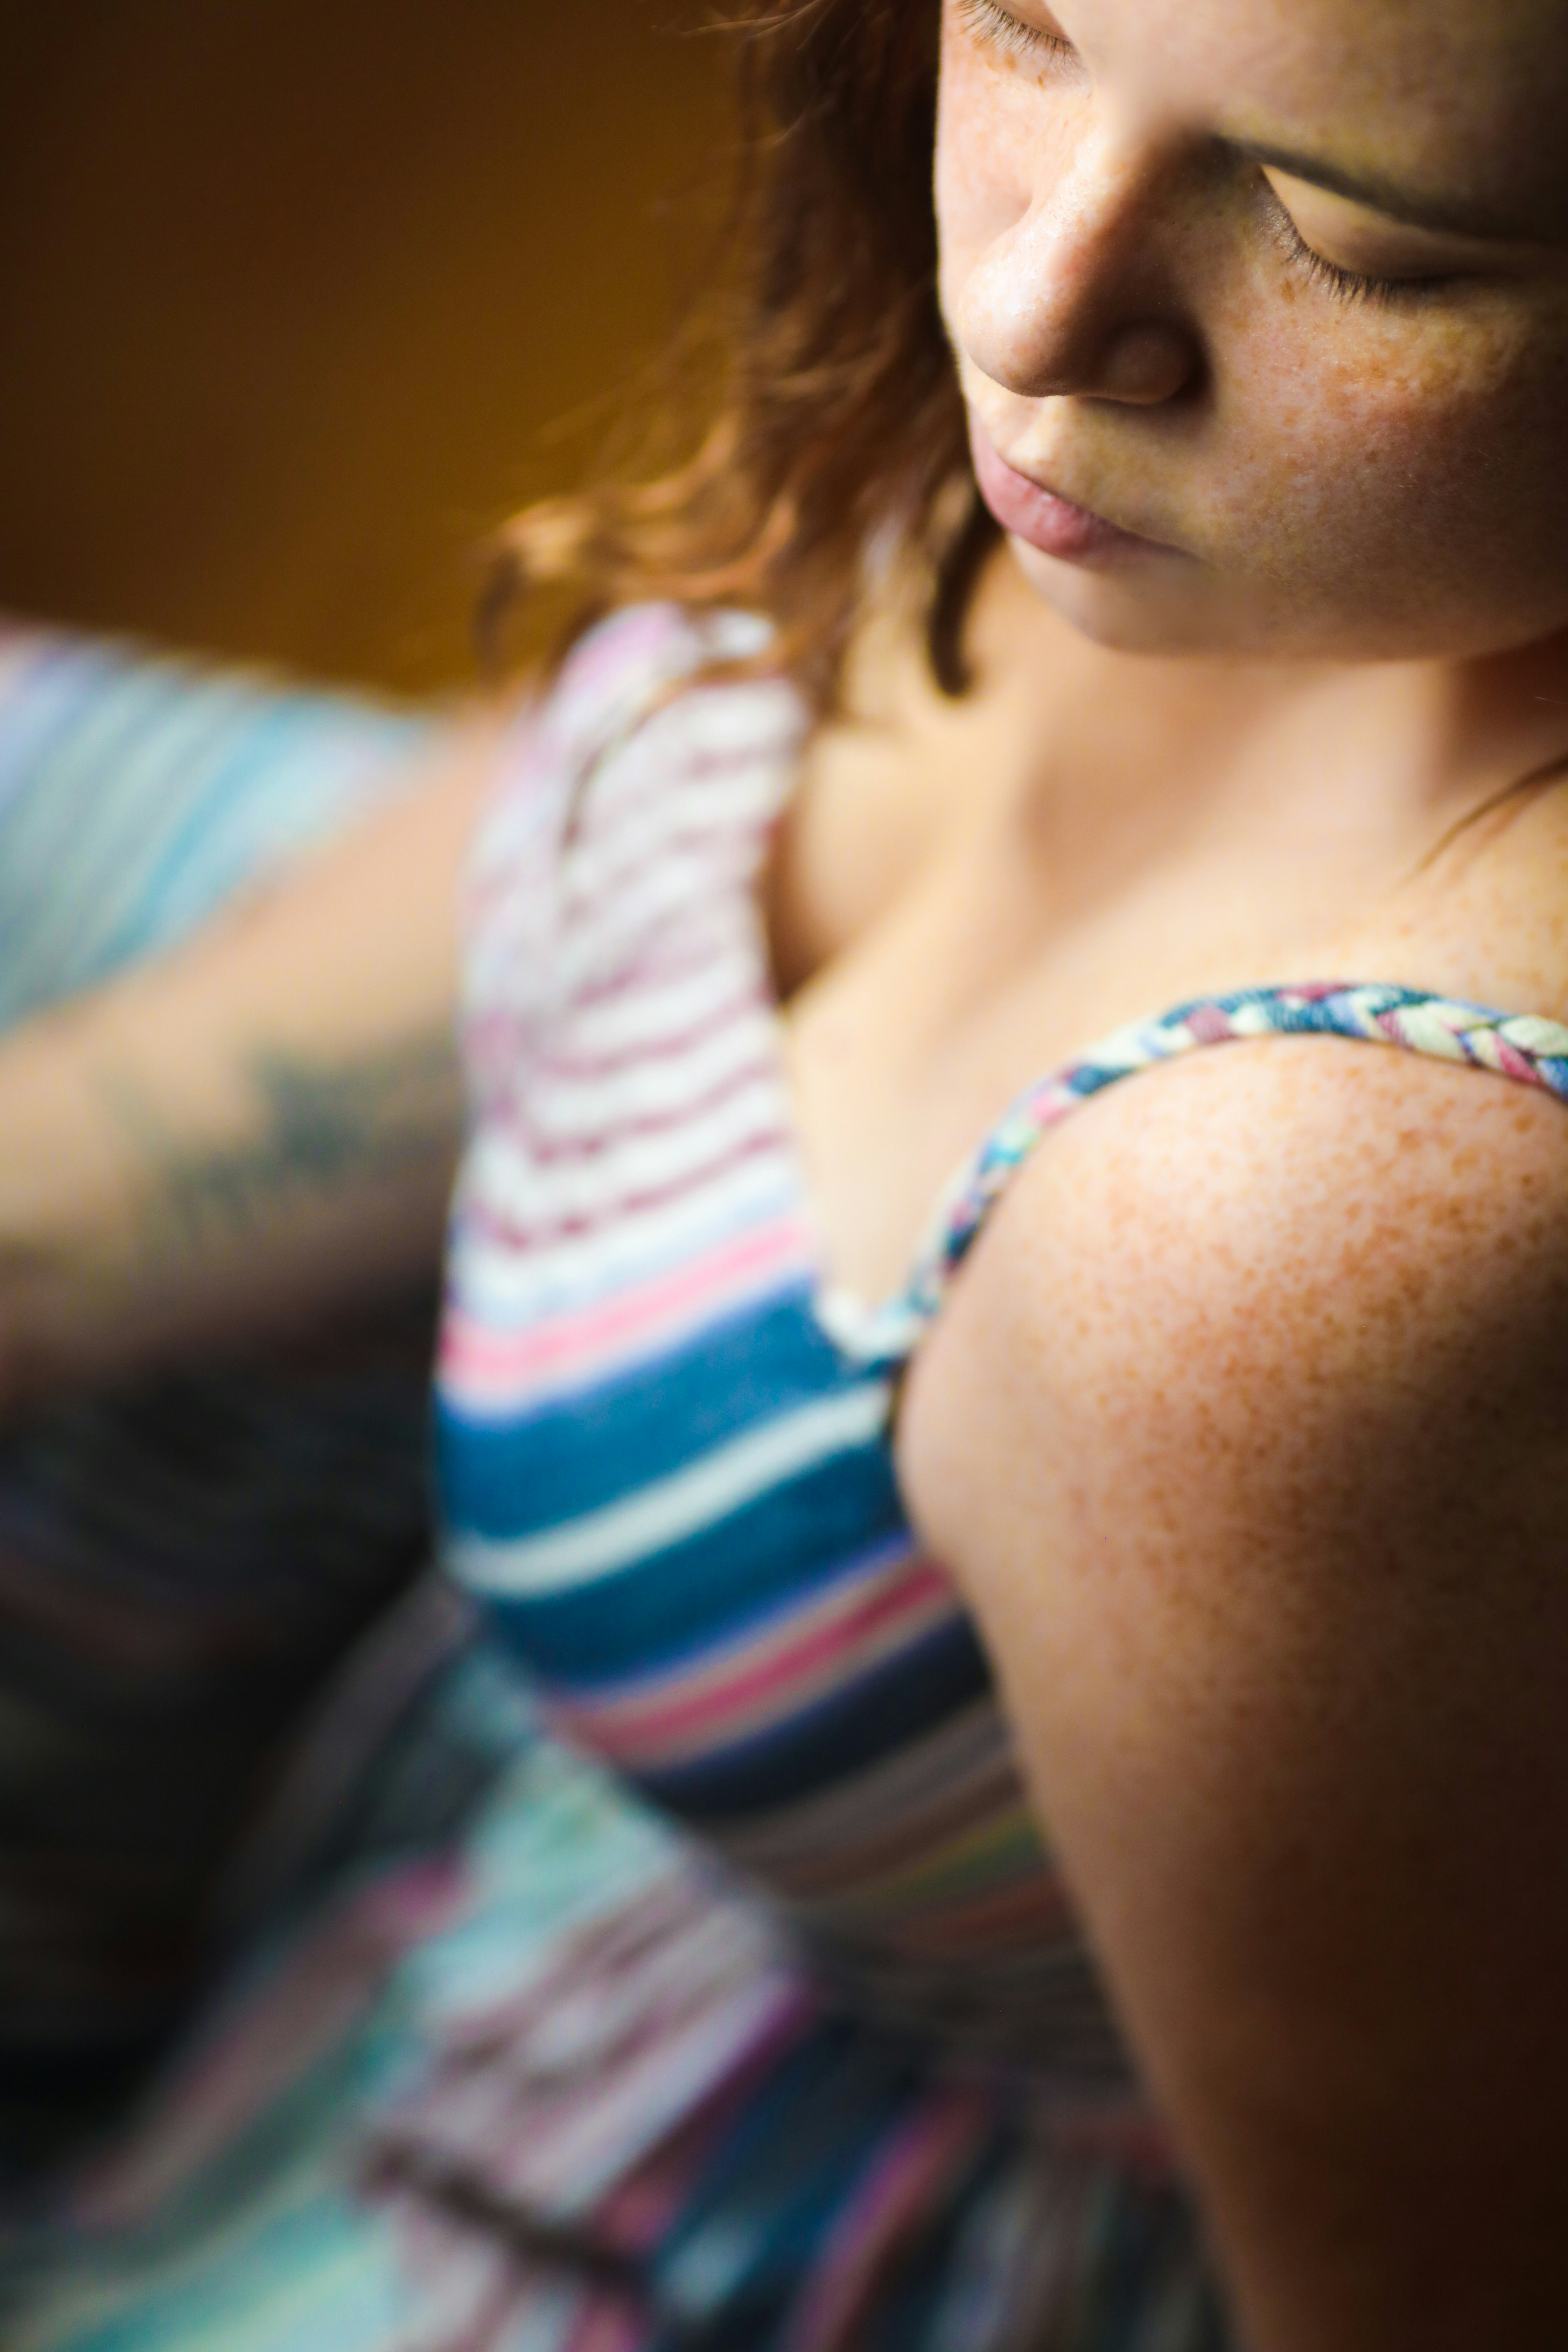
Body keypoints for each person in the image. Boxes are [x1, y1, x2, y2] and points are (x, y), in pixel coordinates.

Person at [5, 0, 1568, 2343]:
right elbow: (632, 837)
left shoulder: (1279, 1230)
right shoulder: (1235, 486)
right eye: (1028, 30)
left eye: (1361, 243)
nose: (1035, 314)